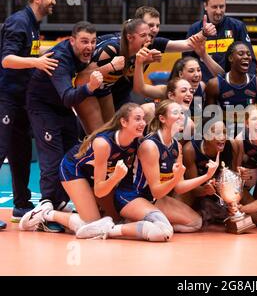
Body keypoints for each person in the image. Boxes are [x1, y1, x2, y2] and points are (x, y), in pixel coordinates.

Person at [20, 103, 174, 242]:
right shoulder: (103, 144)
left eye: (143, 119)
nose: (143, 123)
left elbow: (151, 107)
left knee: (116, 219)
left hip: (96, 174)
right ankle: (46, 213)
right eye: (138, 119)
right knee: (91, 225)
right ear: (124, 122)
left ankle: (77, 212)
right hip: (74, 170)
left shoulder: (135, 140)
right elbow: (100, 190)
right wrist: (115, 178)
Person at [26, 21, 103, 232]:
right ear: (71, 41)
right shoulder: (60, 60)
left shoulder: (87, 52)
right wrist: (90, 87)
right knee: (52, 157)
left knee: (73, 152)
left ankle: (60, 202)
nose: (90, 46)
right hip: (43, 107)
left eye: (93, 41)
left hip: (60, 107)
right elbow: (69, 97)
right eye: (84, 41)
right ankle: (45, 207)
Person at [0, 0, 58, 225]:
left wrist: (46, 53)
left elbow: (26, 54)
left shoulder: (33, 24)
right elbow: (7, 60)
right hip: (6, 98)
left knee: (21, 154)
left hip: (22, 99)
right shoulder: (19, 22)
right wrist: (36, 62)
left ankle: (21, 205)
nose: (54, 2)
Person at [126, 99, 220, 232]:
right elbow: (157, 192)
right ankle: (122, 225)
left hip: (153, 198)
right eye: (176, 113)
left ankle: (148, 222)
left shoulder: (176, 145)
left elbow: (179, 188)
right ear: (162, 118)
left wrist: (207, 176)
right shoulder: (150, 145)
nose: (182, 116)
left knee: (196, 223)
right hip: (134, 196)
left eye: (183, 113)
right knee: (163, 232)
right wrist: (175, 178)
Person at [109, 6, 216, 110]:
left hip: (122, 95)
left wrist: (204, 33)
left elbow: (188, 44)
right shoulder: (115, 46)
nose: (155, 29)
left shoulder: (154, 43)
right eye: (150, 25)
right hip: (104, 93)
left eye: (157, 25)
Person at [183, 0, 257, 82]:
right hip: (203, 85)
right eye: (214, 7)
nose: (218, 11)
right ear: (205, 6)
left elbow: (251, 60)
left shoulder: (237, 27)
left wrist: (249, 83)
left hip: (231, 85)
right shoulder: (195, 29)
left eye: (221, 6)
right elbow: (186, 62)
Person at [205, 41, 257, 138]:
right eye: (241, 54)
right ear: (230, 58)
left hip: (249, 132)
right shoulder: (214, 84)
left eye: (249, 54)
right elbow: (209, 118)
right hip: (223, 133)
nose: (246, 57)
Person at [181, 118, 235, 225]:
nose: (222, 136)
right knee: (184, 213)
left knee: (255, 217)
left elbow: (230, 183)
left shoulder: (228, 146)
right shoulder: (190, 150)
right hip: (193, 192)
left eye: (224, 132)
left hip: (216, 192)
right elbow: (193, 190)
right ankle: (202, 212)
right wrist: (205, 190)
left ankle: (210, 211)